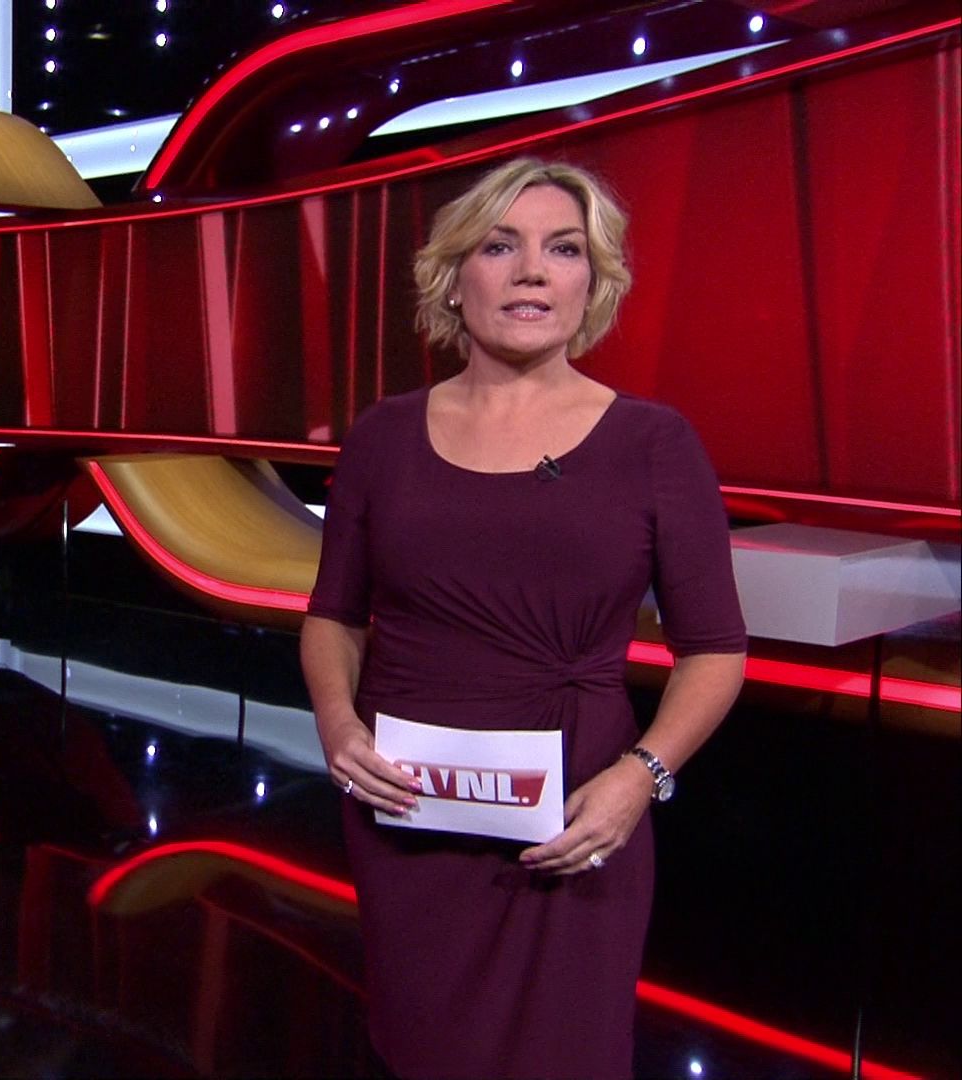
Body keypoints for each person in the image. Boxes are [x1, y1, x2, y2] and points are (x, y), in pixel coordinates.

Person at [300, 157, 748, 1079]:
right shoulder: (382, 435)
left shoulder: (654, 443)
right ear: (453, 277)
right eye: (501, 246)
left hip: (577, 821)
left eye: (564, 250)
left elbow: (715, 650)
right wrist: (338, 726)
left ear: (593, 284)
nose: (533, 271)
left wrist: (642, 778)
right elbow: (333, 617)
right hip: (409, 821)